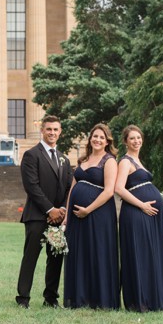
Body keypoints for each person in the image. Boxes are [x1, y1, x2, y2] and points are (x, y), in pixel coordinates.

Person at [15, 115, 73, 309]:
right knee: (31, 257)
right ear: (42, 130)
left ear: (60, 132)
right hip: (37, 216)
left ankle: (51, 298)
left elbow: (68, 187)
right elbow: (31, 186)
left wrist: (62, 209)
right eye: (49, 129)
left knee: (55, 258)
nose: (52, 133)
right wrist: (50, 209)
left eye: (56, 130)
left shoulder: (64, 158)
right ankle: (23, 298)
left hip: (58, 219)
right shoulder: (32, 155)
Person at [117, 125, 163, 312]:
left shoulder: (138, 160)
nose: (136, 141)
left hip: (150, 215)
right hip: (136, 214)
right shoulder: (125, 162)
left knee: (150, 254)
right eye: (132, 138)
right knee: (139, 254)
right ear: (125, 141)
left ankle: (153, 296)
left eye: (139, 138)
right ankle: (140, 300)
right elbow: (119, 188)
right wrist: (142, 205)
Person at [62, 123, 120, 309]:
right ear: (90, 139)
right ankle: (79, 297)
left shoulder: (109, 160)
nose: (97, 140)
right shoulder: (82, 160)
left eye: (101, 137)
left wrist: (88, 209)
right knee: (79, 253)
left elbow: (109, 191)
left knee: (97, 252)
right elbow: (73, 188)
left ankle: (99, 298)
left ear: (107, 141)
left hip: (99, 215)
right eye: (95, 136)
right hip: (76, 217)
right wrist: (67, 215)